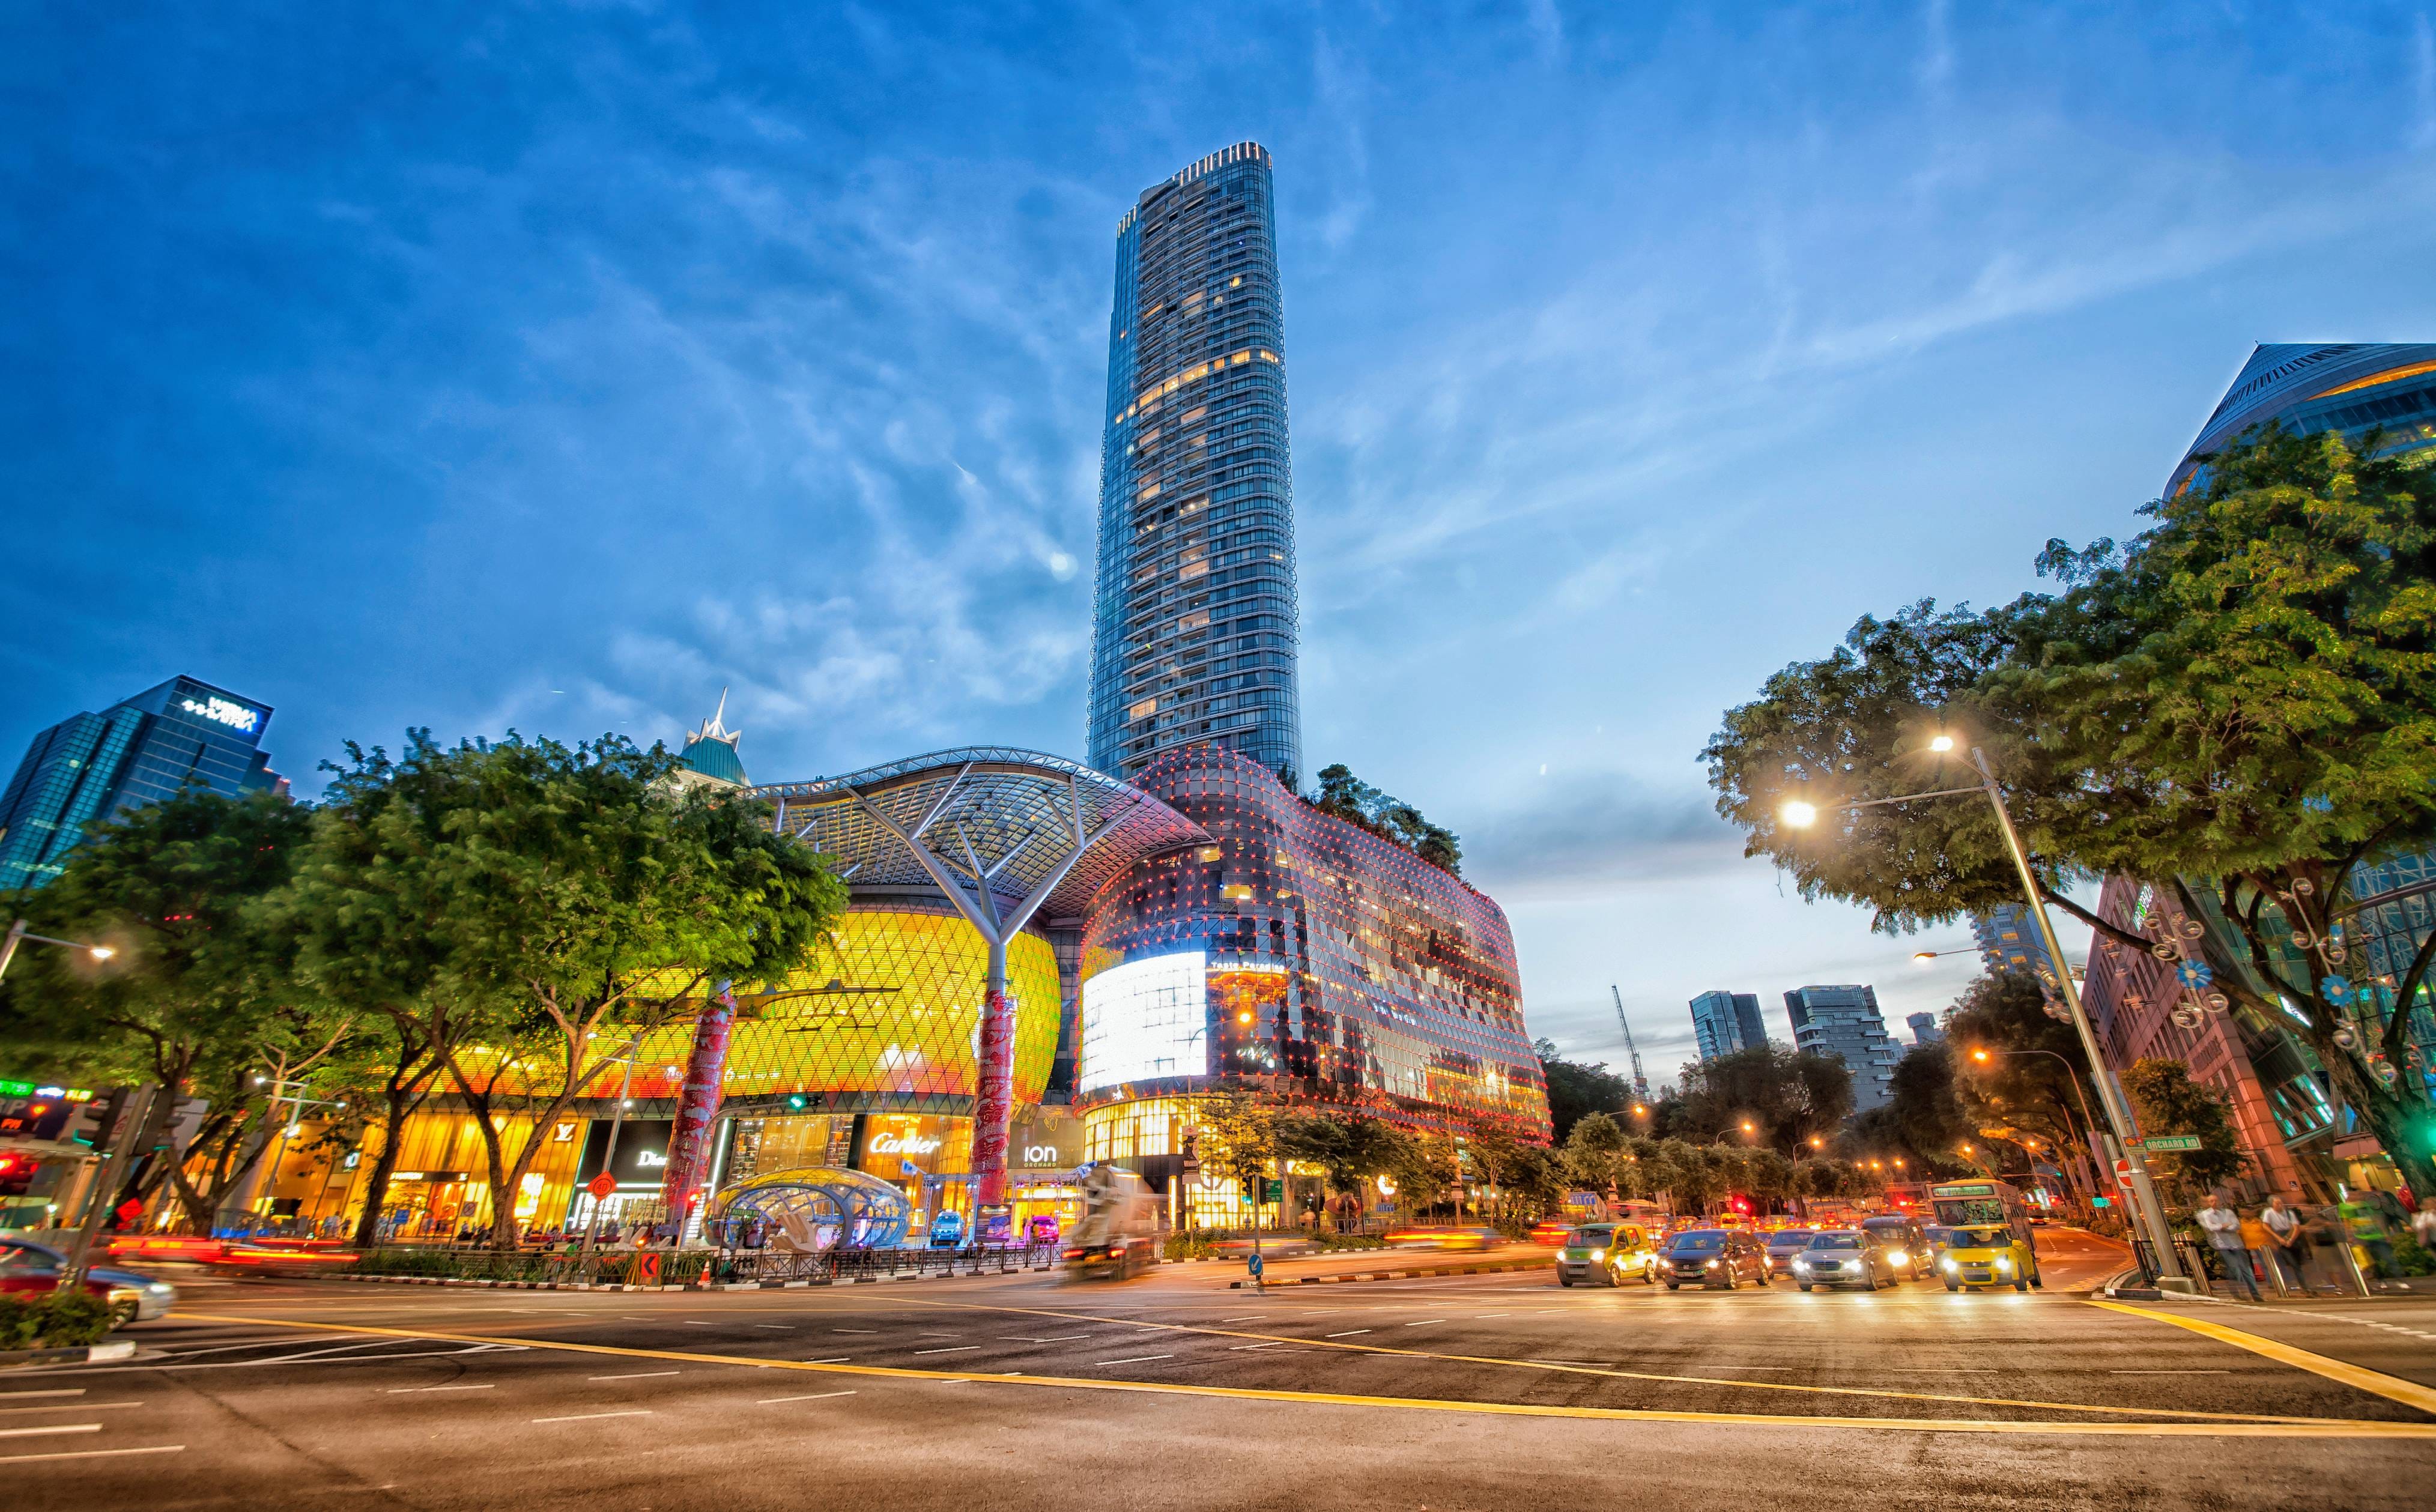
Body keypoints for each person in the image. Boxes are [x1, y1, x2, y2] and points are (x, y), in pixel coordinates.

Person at [2196, 1191, 2258, 1300]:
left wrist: (2221, 1227)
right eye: (2211, 1201)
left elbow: (2236, 1226)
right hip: (2222, 1245)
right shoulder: (2206, 1215)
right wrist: (2223, 1226)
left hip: (2236, 1244)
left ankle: (2255, 1294)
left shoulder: (2228, 1213)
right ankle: (2237, 1290)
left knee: (2246, 1269)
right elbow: (2210, 1227)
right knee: (2234, 1269)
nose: (2214, 1203)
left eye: (2216, 1200)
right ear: (2208, 1203)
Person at [2259, 1194, 2307, 1292]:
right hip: (2279, 1236)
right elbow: (2265, 1226)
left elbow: (2296, 1228)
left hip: (2291, 1236)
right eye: (2277, 1203)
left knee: (2298, 1263)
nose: (2280, 1205)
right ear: (2272, 1204)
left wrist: (2291, 1240)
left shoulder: (2289, 1213)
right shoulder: (2268, 1213)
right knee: (2290, 1262)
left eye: (2281, 1203)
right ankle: (2289, 1284)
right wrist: (2278, 1238)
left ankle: (2304, 1285)